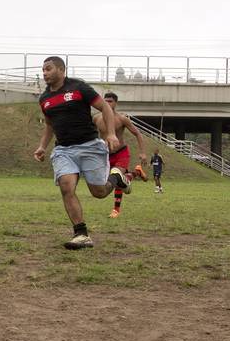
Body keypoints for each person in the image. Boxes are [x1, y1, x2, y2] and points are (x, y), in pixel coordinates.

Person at [33, 56, 130, 249]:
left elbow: (105, 108)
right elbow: (50, 125)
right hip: (64, 150)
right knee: (66, 187)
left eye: (49, 69)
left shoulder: (79, 87)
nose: (44, 73)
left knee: (99, 192)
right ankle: (81, 234)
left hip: (90, 146)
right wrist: (43, 146)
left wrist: (111, 133)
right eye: (43, 70)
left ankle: (117, 178)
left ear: (61, 70)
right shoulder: (44, 99)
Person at [93, 92, 149, 218]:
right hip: (105, 155)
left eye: (110, 101)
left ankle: (116, 210)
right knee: (111, 181)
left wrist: (142, 152)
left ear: (116, 103)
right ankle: (137, 173)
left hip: (121, 153)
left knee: (116, 176)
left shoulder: (122, 119)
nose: (107, 103)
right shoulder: (96, 118)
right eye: (105, 101)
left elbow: (138, 134)